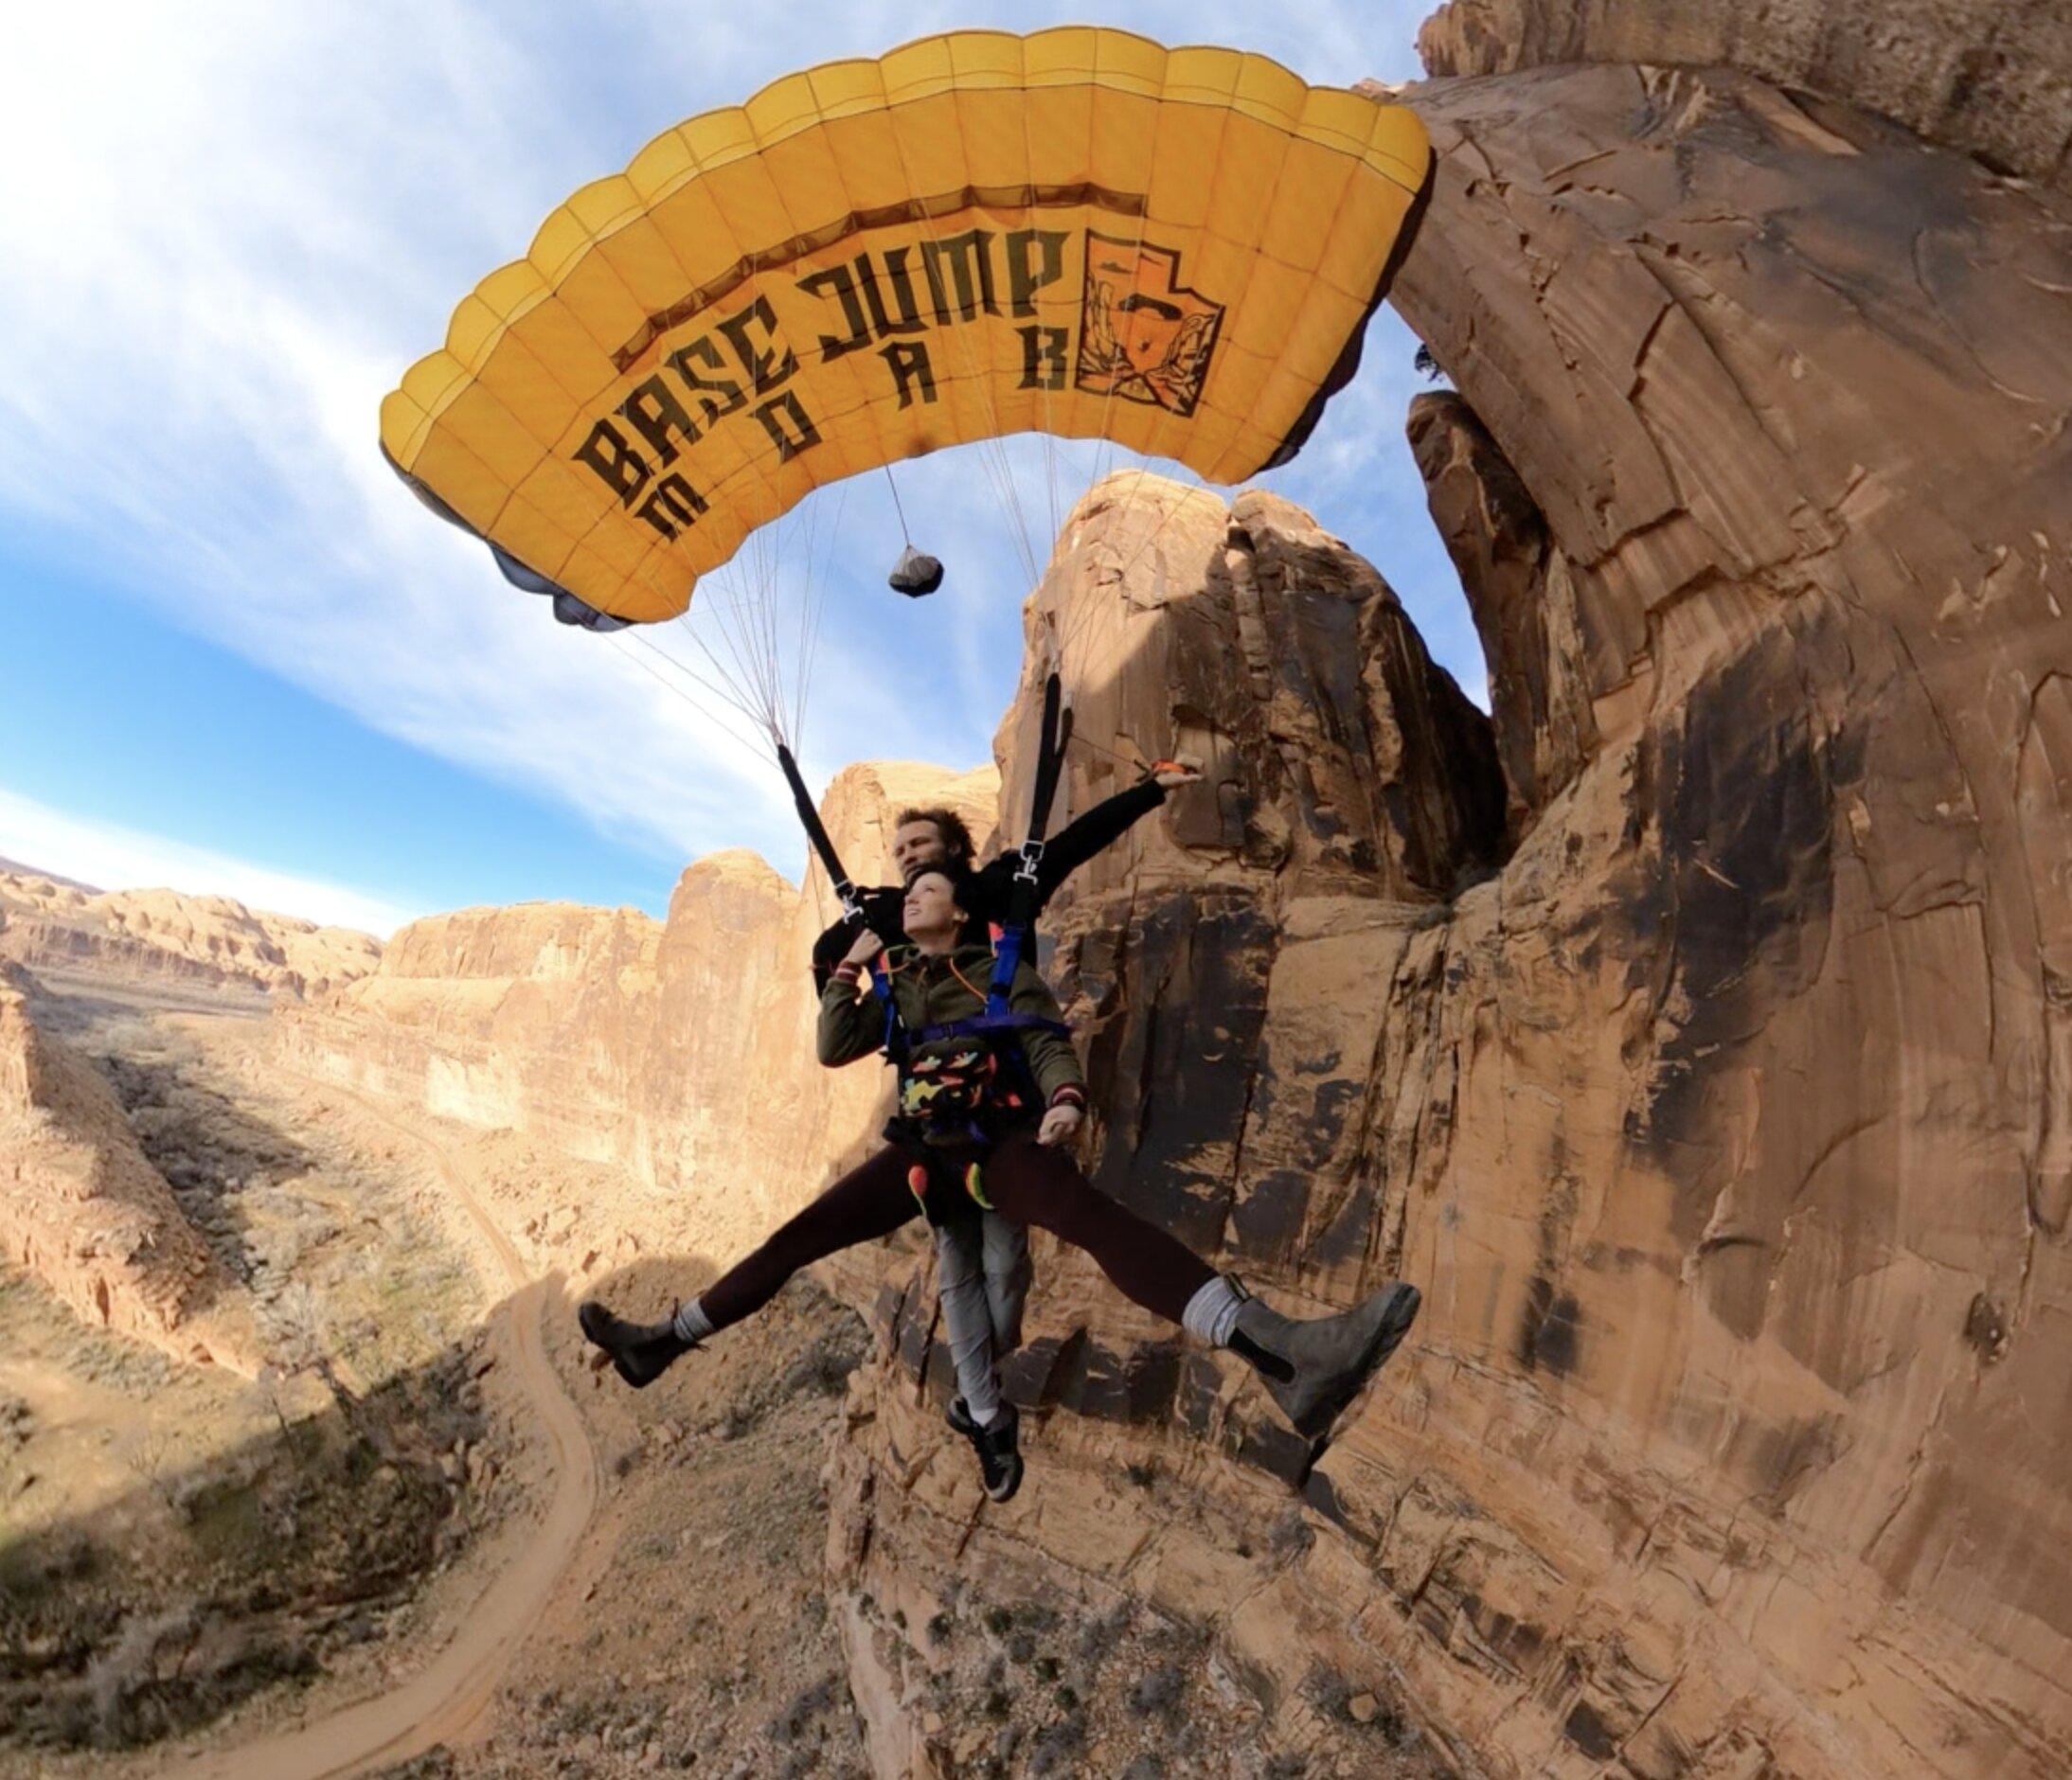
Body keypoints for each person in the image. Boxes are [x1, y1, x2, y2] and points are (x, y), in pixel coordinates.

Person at [580, 869, 1422, 1499]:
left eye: (928, 888)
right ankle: (662, 1343)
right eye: (907, 891)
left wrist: (1064, 1099)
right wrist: (850, 969)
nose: (913, 897)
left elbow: (1048, 1040)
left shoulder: (999, 968)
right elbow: (834, 1048)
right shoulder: (898, 985)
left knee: (1088, 1221)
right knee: (798, 1240)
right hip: (919, 1155)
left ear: (959, 908)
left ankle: (1282, 1356)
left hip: (991, 1149)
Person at [808, 763, 1203, 988]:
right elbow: (825, 952)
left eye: (918, 844)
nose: (907, 855)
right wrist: (846, 1005)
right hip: (931, 1076)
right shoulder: (890, 912)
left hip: (1006, 1051)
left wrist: (1152, 789)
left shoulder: (1003, 885)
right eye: (899, 851)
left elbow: (1078, 840)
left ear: (954, 848)